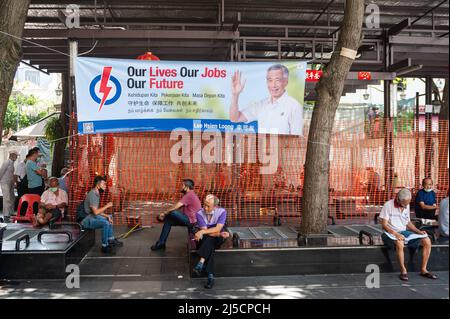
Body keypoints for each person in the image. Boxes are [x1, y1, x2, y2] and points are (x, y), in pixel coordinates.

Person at [380, 188, 437, 281]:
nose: (406, 206)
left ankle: (424, 269)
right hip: (389, 233)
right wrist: (395, 234)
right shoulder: (388, 205)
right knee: (400, 242)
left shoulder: (406, 204)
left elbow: (408, 223)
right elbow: (384, 225)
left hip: (404, 232)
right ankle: (403, 271)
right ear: (398, 199)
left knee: (426, 240)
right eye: (404, 204)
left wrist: (419, 231)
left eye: (407, 203)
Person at [229, 64, 303, 135]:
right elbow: (235, 118)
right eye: (270, 80)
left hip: (282, 148)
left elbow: (296, 138)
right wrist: (235, 95)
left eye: (277, 80)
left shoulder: (294, 106)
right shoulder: (261, 105)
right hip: (262, 147)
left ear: (286, 82)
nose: (273, 85)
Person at [151, 179, 201, 251]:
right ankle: (161, 243)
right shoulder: (189, 194)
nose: (181, 187)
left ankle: (163, 217)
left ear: (186, 187)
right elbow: (179, 206)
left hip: (192, 221)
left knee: (173, 212)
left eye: (182, 185)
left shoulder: (190, 195)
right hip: (188, 219)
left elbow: (175, 207)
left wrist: (164, 213)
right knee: (168, 221)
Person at [192, 194, 230, 289]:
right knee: (210, 243)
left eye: (208, 206)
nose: (205, 208)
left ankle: (201, 261)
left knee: (208, 239)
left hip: (215, 238)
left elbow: (209, 230)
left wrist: (204, 232)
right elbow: (211, 232)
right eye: (204, 204)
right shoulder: (199, 213)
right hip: (210, 238)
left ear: (215, 206)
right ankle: (210, 276)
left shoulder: (222, 212)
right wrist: (219, 233)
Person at [81, 176, 123, 253]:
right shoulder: (93, 195)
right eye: (103, 184)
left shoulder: (96, 193)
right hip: (86, 220)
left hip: (92, 216)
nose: (105, 186)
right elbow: (96, 212)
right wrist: (107, 205)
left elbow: (96, 211)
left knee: (109, 217)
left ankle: (111, 240)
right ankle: (104, 246)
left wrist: (107, 216)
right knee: (105, 223)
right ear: (98, 185)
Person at [0, 150, 19, 220]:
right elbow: (1, 172)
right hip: (5, 182)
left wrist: (13, 183)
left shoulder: (12, 163)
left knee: (12, 197)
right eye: (16, 156)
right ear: (12, 155)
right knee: (7, 198)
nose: (16, 158)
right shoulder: (6, 162)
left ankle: (11, 212)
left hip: (10, 182)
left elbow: (11, 174)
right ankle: (6, 214)